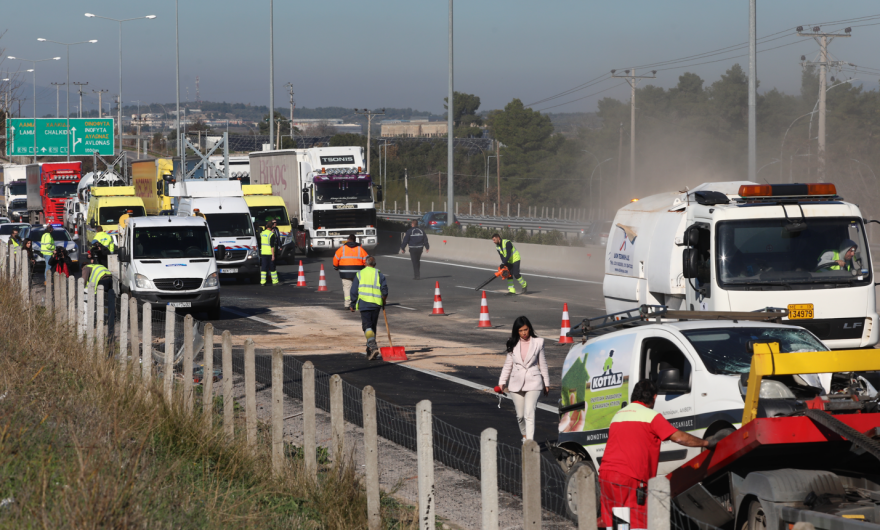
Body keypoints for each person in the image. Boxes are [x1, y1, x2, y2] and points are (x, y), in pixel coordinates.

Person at [598, 380, 714, 529]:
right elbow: (679, 437)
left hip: (606, 475)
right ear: (654, 397)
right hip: (630, 478)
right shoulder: (651, 416)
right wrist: (706, 443)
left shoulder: (618, 415)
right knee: (637, 523)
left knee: (617, 523)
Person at [498, 316, 549, 442]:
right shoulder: (512, 343)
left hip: (534, 382)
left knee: (529, 413)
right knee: (520, 416)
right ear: (517, 332)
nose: (524, 333)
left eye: (525, 330)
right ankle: (525, 436)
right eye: (520, 331)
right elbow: (507, 365)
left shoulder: (538, 342)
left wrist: (546, 383)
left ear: (530, 329)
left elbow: (543, 364)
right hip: (516, 383)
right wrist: (502, 382)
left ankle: (530, 443)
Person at [350, 256, 388, 360]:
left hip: (364, 304)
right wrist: (384, 300)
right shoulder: (379, 274)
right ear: (374, 264)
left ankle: (373, 346)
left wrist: (352, 303)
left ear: (365, 263)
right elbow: (384, 290)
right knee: (372, 327)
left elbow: (354, 291)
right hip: (376, 304)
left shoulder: (360, 274)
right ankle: (370, 350)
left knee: (367, 327)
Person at [82, 251, 116, 349]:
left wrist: (81, 291)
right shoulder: (95, 266)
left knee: (100, 301)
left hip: (102, 280)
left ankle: (102, 319)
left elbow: (83, 281)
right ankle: (110, 315)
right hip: (109, 278)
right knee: (108, 300)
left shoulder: (86, 268)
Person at [333, 234, 369, 311]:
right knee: (357, 288)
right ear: (355, 241)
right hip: (358, 272)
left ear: (348, 240)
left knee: (347, 287)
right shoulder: (360, 249)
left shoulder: (342, 249)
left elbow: (336, 259)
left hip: (345, 272)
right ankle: (356, 304)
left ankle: (347, 304)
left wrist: (336, 267)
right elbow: (367, 260)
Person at [259, 220, 280, 286]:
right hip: (270, 253)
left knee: (264, 268)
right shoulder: (272, 235)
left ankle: (263, 282)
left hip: (263, 253)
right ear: (272, 227)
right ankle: (275, 281)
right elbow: (272, 246)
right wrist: (273, 255)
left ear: (266, 226)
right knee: (272, 268)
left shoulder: (262, 233)